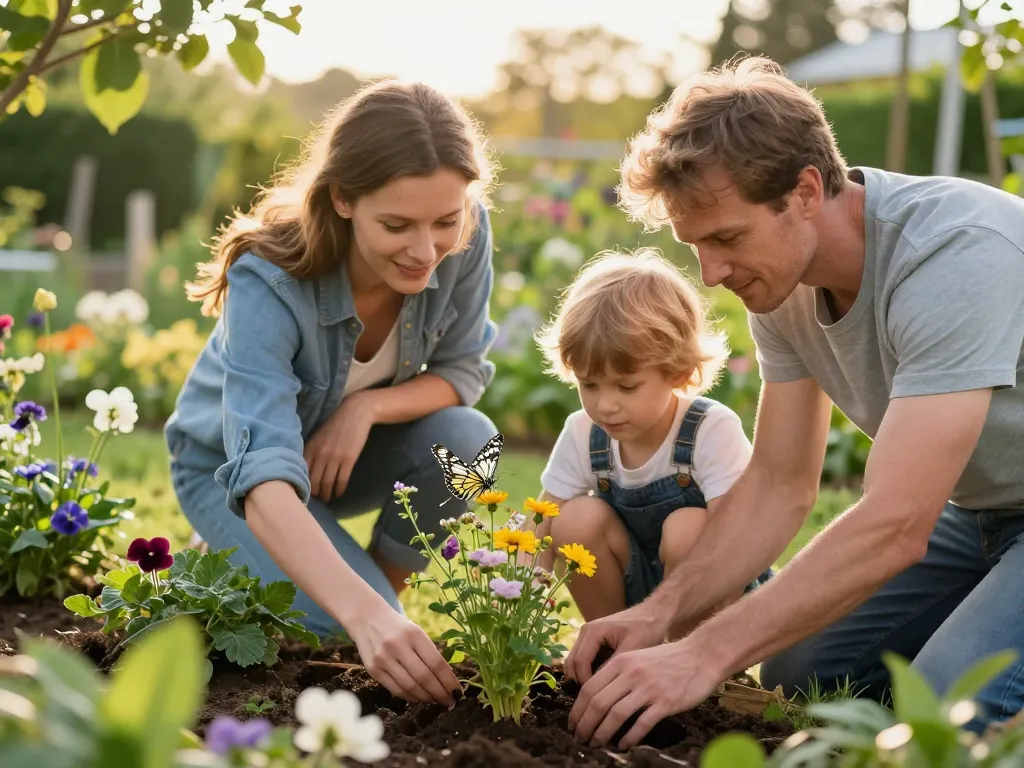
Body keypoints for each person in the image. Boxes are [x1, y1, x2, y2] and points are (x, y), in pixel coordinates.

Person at [562, 55, 1024, 749]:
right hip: (987, 512)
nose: (712, 274)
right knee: (800, 677)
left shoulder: (954, 255)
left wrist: (703, 653)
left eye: (726, 238)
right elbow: (779, 484)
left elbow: (897, 522)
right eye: (697, 247)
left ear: (805, 191)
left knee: (938, 717)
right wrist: (659, 617)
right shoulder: (783, 281)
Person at [165, 80, 501, 710]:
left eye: (446, 221)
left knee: (471, 442)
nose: (426, 250)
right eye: (397, 224)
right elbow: (261, 469)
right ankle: (217, 568)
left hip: (346, 458)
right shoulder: (268, 279)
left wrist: (364, 407)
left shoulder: (465, 240)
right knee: (341, 623)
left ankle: (369, 594)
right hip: (228, 473)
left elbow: (463, 371)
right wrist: (363, 613)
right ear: (343, 198)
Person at [529, 248, 772, 628]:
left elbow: (734, 538)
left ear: (678, 372)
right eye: (589, 384)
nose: (605, 405)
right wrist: (526, 585)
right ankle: (609, 648)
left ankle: (683, 657)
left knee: (686, 528)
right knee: (573, 520)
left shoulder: (711, 429)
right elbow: (540, 521)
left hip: (710, 594)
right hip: (630, 586)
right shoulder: (584, 432)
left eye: (626, 387)